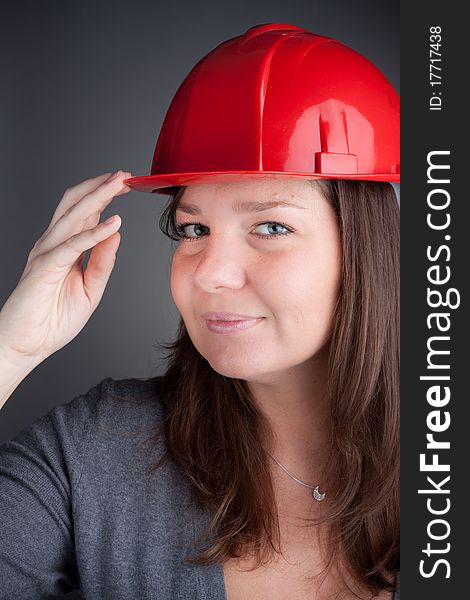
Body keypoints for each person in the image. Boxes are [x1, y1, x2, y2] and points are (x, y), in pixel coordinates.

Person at [0, 23, 400, 600]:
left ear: (366, 252)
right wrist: (10, 353)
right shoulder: (94, 453)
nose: (209, 271)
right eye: (193, 229)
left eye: (270, 226)